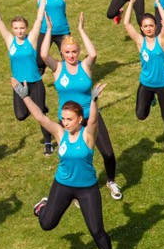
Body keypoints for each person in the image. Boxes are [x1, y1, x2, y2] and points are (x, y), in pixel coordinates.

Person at [12, 78, 116, 249]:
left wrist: (93, 101)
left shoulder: (88, 135)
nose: (65, 122)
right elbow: (41, 117)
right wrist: (25, 97)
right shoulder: (60, 133)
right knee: (46, 224)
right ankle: (44, 205)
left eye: (69, 119)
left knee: (96, 230)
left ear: (79, 119)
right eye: (63, 118)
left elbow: (94, 121)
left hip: (86, 189)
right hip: (63, 185)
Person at [41, 13, 122, 199]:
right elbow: (44, 55)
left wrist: (81, 30)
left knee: (108, 153)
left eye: (74, 52)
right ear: (62, 53)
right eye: (67, 52)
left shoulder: (85, 66)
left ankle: (111, 181)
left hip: (89, 116)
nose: (71, 55)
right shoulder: (58, 68)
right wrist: (49, 30)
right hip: (69, 121)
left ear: (78, 52)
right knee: (72, 158)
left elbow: (93, 54)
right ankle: (75, 191)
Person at [0, 0, 53, 154]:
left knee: (40, 116)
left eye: (22, 28)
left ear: (26, 28)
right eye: (16, 28)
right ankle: (40, 106)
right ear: (12, 29)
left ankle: (48, 143)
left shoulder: (31, 39)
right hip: (18, 86)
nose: (19, 31)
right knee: (20, 115)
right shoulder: (10, 41)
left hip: (35, 82)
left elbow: (39, 19)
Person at [121, 6, 164, 157]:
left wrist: (158, 4)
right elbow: (127, 24)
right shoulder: (140, 42)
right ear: (141, 28)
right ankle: (151, 98)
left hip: (163, 85)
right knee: (141, 115)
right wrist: (131, 3)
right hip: (146, 84)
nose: (148, 28)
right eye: (145, 26)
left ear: (156, 26)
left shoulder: (161, 39)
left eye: (151, 25)